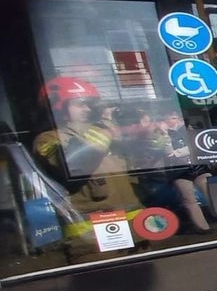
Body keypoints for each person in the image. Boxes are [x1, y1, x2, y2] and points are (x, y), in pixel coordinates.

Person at [32, 76, 140, 216]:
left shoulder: (102, 128)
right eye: (80, 104)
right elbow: (71, 165)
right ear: (57, 107)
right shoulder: (47, 139)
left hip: (133, 213)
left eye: (90, 104)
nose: (88, 109)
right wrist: (102, 136)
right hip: (93, 223)